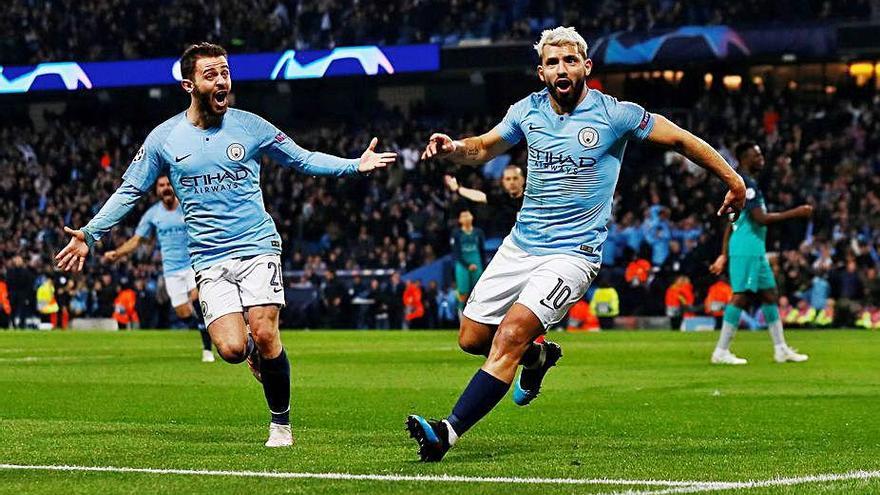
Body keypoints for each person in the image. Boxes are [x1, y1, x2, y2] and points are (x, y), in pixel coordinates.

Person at [406, 26, 745, 462]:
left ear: (586, 66)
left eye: (569, 60)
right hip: (521, 246)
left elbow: (680, 138)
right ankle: (538, 358)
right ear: (541, 71)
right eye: (552, 62)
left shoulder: (615, 114)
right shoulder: (526, 111)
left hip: (573, 255)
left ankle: (446, 432)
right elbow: (484, 147)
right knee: (472, 338)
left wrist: (733, 179)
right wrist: (453, 147)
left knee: (508, 336)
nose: (561, 69)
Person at [55, 42, 396, 448]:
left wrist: (353, 165)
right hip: (210, 258)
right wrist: (90, 233)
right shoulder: (164, 138)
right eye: (211, 75)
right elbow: (130, 191)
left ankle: (280, 423)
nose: (222, 81)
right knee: (234, 348)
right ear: (189, 85)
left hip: (258, 245)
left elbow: (302, 159)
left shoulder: (250, 126)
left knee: (267, 333)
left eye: (225, 73)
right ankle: (250, 350)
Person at [709, 142, 812, 364]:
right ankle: (721, 351)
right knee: (741, 296)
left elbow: (731, 222)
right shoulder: (746, 184)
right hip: (747, 248)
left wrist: (723, 254)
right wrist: (797, 212)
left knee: (769, 294)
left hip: (754, 248)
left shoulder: (741, 183)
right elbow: (760, 218)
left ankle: (781, 349)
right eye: (757, 155)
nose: (761, 158)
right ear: (745, 158)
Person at [103, 176, 214, 362]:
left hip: (193, 265)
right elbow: (137, 240)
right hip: (171, 270)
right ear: (157, 190)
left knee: (196, 299)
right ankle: (209, 328)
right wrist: (118, 253)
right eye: (162, 185)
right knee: (183, 313)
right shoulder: (153, 214)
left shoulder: (188, 207)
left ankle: (207, 349)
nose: (166, 188)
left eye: (168, 184)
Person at [444, 164, 525, 235]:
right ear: (503, 182)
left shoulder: (534, 197)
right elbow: (480, 196)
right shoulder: (502, 199)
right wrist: (457, 189)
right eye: (508, 179)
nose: (512, 182)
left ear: (523, 180)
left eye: (515, 178)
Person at [450, 209, 486, 312]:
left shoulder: (479, 232)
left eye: (467, 215)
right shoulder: (456, 233)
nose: (466, 217)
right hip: (462, 265)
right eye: (463, 216)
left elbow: (482, 251)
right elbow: (456, 253)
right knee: (463, 292)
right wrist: (467, 265)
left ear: (472, 217)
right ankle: (460, 314)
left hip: (477, 263)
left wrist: (484, 267)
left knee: (478, 292)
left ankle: (477, 315)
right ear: (460, 220)